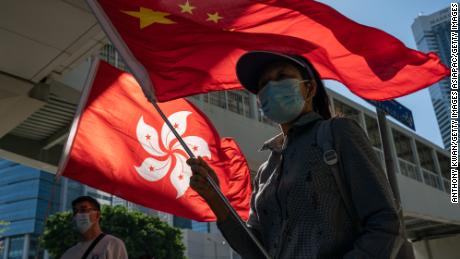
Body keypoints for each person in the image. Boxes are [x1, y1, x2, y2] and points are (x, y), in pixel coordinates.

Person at [187, 51, 403, 259]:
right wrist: (215, 198)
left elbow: (385, 223)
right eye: (263, 84)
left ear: (309, 88)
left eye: (281, 76)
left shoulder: (338, 133)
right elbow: (255, 250)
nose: (271, 86)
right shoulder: (265, 171)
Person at [61, 196, 128, 259]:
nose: (78, 214)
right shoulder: (68, 254)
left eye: (84, 210)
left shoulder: (112, 244)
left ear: (97, 215)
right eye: (75, 211)